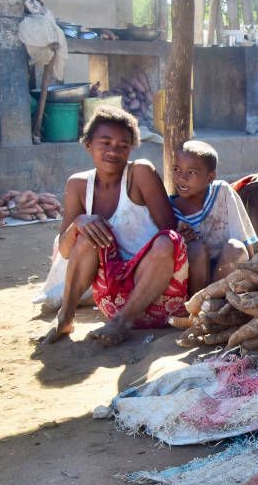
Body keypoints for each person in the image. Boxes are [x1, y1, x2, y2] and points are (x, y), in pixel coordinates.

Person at [41, 106, 188, 346]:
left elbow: (169, 230)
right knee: (86, 233)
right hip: (112, 297)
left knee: (167, 240)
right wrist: (80, 222)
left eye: (123, 145)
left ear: (131, 148)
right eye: (105, 143)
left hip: (156, 293)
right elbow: (66, 252)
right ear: (88, 145)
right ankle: (65, 316)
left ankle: (122, 324)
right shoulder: (78, 185)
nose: (114, 151)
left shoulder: (140, 172)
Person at [170, 140, 257, 295]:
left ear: (210, 178)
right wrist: (179, 239)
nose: (182, 178)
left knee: (235, 248)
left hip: (226, 273)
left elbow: (245, 243)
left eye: (191, 172)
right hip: (193, 276)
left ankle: (213, 305)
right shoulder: (169, 208)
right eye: (176, 169)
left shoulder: (222, 192)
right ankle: (197, 309)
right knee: (196, 249)